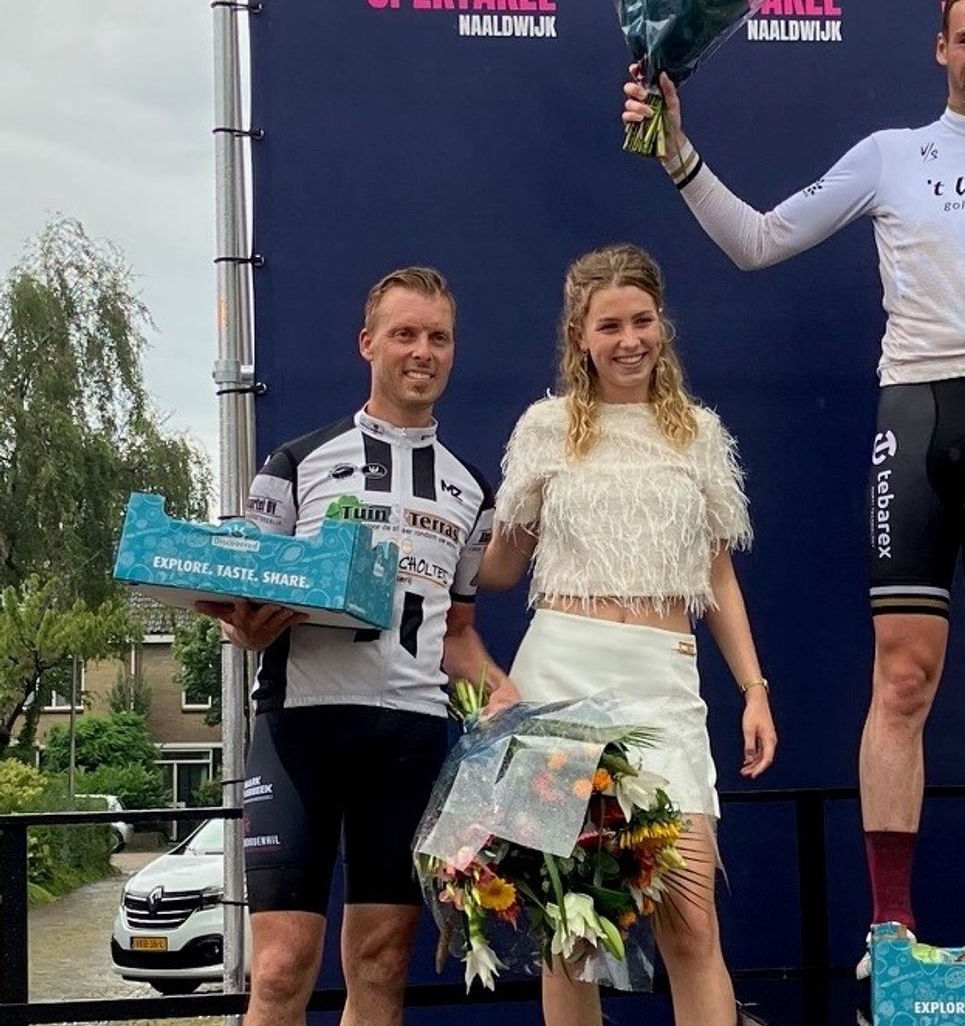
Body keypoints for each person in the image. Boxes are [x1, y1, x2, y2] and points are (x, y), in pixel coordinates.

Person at [622, 0, 965, 971]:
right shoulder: (892, 155)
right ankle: (888, 928)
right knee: (904, 677)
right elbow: (759, 241)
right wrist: (677, 154)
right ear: (941, 46)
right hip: (918, 418)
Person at [201, 266, 516, 1026]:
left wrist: (515, 706)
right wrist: (238, 626)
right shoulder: (295, 463)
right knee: (278, 971)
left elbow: (459, 634)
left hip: (410, 735)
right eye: (405, 333)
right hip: (300, 728)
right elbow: (235, 593)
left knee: (380, 964)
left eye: (438, 337)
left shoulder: (473, 490)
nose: (422, 351)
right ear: (367, 343)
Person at [476, 244, 776, 1026]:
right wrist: (518, 507)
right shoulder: (544, 428)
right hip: (559, 672)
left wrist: (753, 688)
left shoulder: (698, 434)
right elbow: (502, 572)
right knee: (568, 926)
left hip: (662, 678)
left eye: (642, 320)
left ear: (662, 326)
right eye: (609, 325)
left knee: (691, 919)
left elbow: (717, 578)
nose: (629, 339)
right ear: (580, 334)